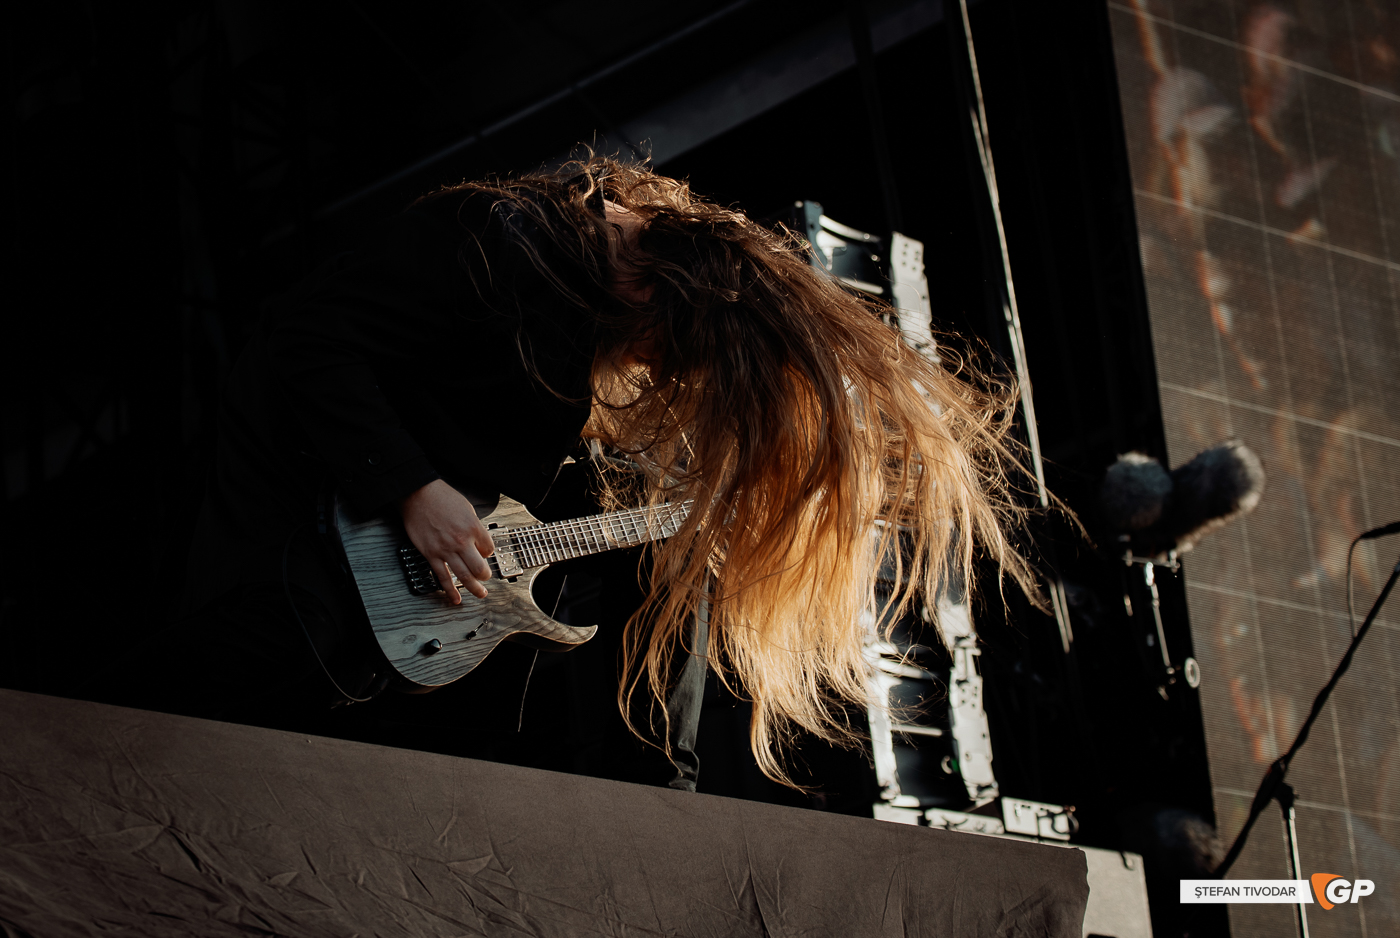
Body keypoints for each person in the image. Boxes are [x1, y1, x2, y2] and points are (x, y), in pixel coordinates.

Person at [153, 154, 1038, 788]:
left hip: (359, 621)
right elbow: (309, 332)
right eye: (669, 355)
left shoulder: (568, 313)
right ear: (651, 291)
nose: (658, 374)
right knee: (173, 751)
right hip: (278, 553)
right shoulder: (495, 238)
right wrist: (411, 489)